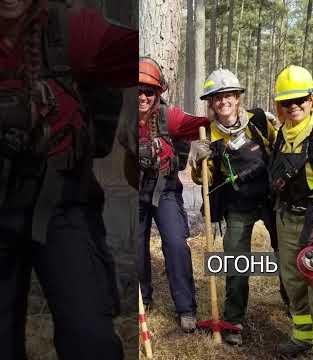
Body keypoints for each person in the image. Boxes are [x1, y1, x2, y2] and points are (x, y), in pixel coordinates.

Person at [0, 1, 137, 359]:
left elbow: (139, 55)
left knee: (90, 340)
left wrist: (146, 107)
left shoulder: (67, 30)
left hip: (62, 206)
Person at [189, 68, 277, 346]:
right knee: (237, 264)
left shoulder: (260, 122)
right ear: (211, 104)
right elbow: (205, 179)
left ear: (238, 98)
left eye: (228, 95)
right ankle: (233, 321)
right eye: (217, 98)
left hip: (271, 201)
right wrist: (196, 160)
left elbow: (280, 150)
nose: (223, 101)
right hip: (237, 206)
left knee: (286, 257)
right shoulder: (210, 136)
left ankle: (296, 312)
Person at [269, 65, 313, 360]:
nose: (295, 106)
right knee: (293, 281)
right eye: (288, 102)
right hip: (286, 218)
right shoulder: (281, 133)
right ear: (280, 106)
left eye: (301, 99)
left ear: (312, 99)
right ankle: (302, 336)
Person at [137, 56, 210, 332]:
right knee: (136, 247)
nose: (142, 96)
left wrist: (198, 147)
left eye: (149, 91)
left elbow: (207, 122)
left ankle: (186, 308)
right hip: (134, 193)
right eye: (137, 90)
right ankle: (142, 299)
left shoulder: (171, 117)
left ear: (158, 92)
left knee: (176, 245)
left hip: (165, 191)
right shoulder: (121, 118)